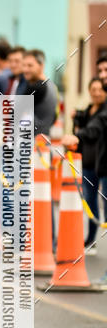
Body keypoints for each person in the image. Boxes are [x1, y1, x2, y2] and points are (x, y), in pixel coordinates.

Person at [68, 78, 107, 255]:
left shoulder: (103, 113)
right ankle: (91, 239)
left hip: (103, 162)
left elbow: (93, 130)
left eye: (100, 89)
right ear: (89, 91)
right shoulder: (86, 112)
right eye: (93, 89)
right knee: (90, 201)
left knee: (102, 203)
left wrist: (79, 135)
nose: (97, 92)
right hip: (89, 163)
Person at [20, 49, 58, 136]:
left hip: (31, 142)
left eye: (30, 66)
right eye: (24, 65)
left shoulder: (36, 87)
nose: (25, 70)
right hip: (44, 138)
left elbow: (14, 114)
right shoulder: (51, 85)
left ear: (41, 66)